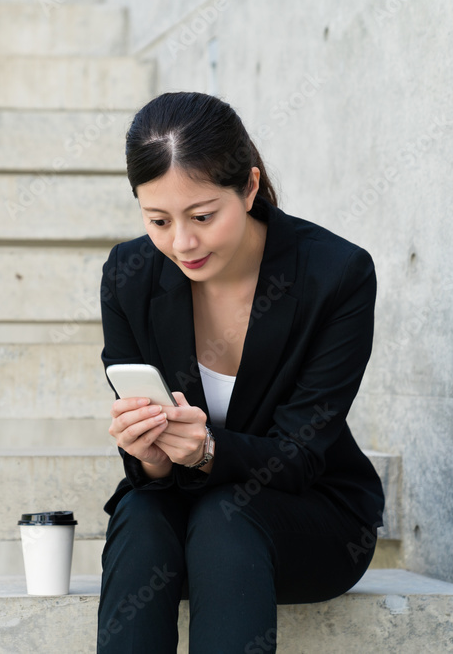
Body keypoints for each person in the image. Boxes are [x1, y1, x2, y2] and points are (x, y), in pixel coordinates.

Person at [97, 92, 385, 653]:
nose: (181, 243)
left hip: (309, 515)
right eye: (158, 219)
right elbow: (147, 459)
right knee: (140, 513)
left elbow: (301, 454)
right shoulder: (129, 274)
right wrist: (152, 459)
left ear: (249, 188)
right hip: (183, 509)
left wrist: (207, 450)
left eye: (202, 216)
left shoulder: (336, 274)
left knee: (226, 514)